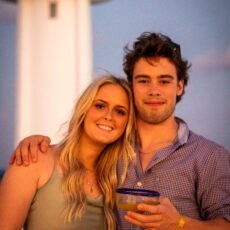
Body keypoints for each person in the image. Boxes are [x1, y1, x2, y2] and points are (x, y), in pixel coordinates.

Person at [9, 32, 230, 230]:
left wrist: (180, 224)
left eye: (164, 81)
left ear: (179, 86)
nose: (154, 91)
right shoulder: (110, 151)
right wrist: (35, 143)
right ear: (131, 85)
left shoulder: (209, 156)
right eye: (144, 80)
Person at [0, 75, 136, 230]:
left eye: (120, 111)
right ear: (83, 109)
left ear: (127, 123)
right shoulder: (34, 159)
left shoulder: (119, 177)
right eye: (100, 106)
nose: (109, 116)